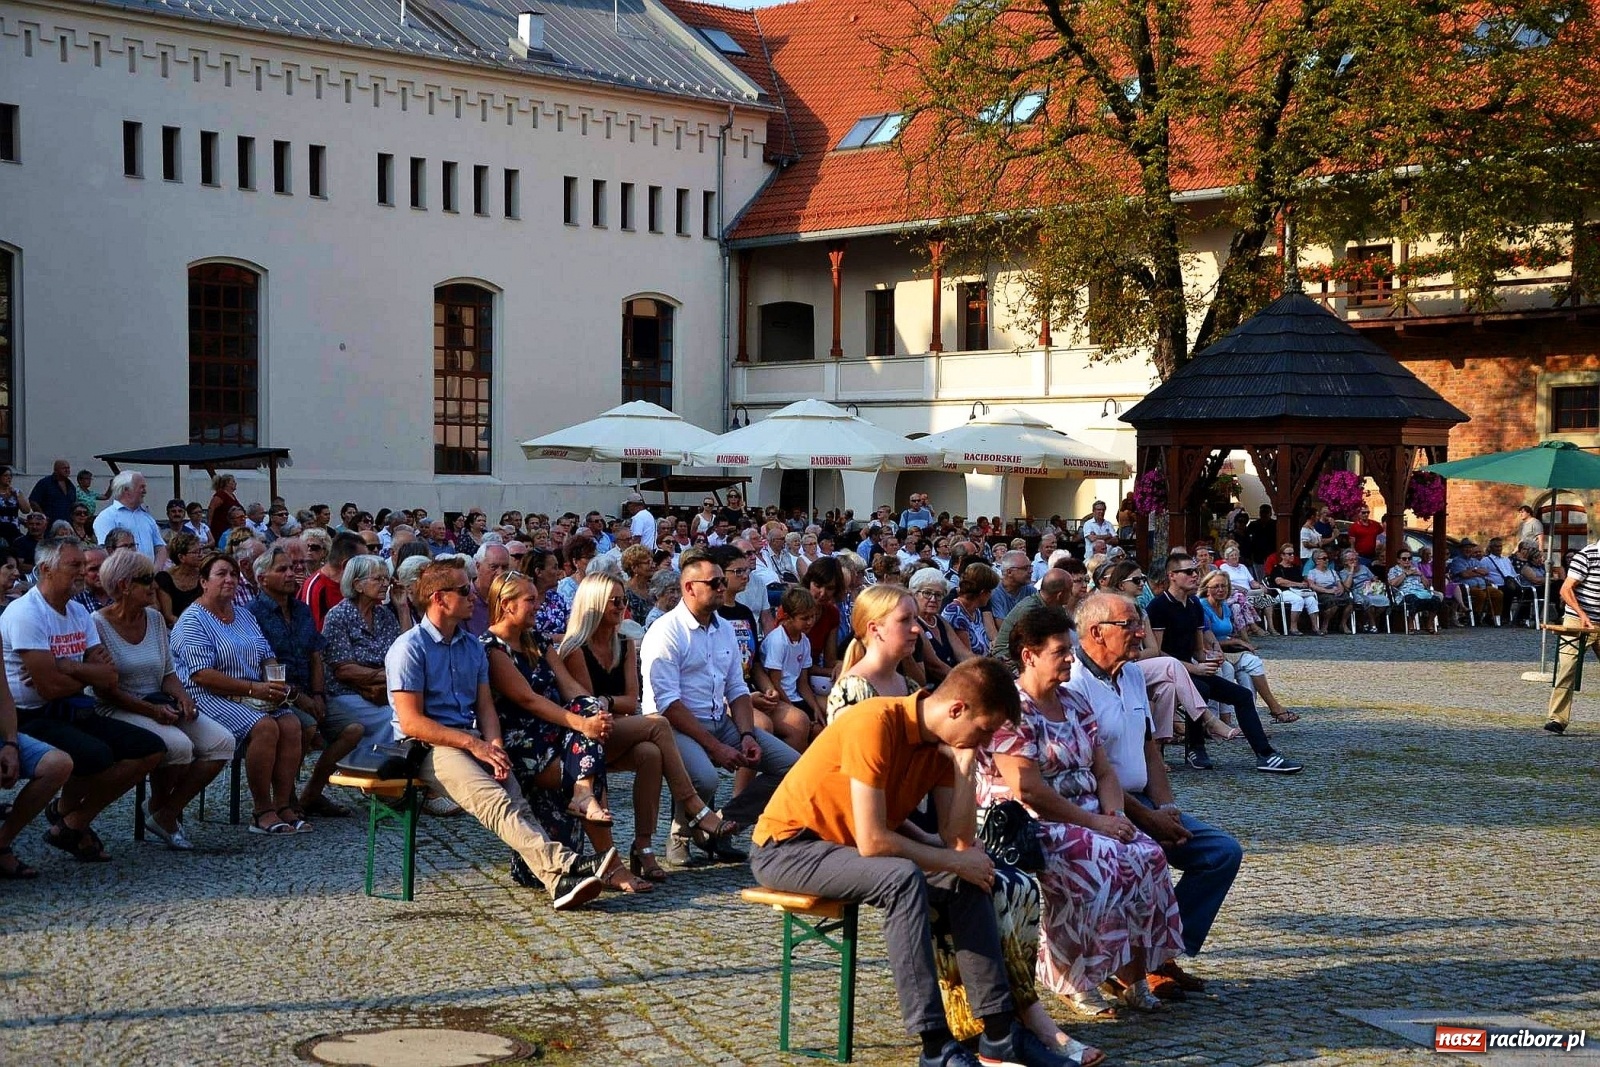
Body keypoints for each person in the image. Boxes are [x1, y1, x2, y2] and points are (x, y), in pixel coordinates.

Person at [753, 658, 1073, 1067]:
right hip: (788, 848)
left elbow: (958, 842)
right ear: (957, 709)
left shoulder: (945, 745)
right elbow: (873, 841)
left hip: (845, 849)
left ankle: (999, 1034)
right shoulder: (875, 722)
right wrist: (954, 860)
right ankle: (935, 1046)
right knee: (901, 878)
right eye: (984, 730)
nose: (985, 741)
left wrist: (963, 768)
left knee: (967, 878)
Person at [982, 604, 1184, 1015]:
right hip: (1031, 819)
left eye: (1071, 650)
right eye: (1061, 651)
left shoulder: (1074, 701)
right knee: (1101, 860)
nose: (1072, 659)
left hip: (1090, 812)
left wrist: (1115, 816)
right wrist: (1095, 823)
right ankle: (1072, 978)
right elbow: (1028, 788)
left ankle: (1133, 974)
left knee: (1147, 857)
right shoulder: (1013, 710)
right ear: (1029, 655)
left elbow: (1104, 770)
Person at [387, 559, 619, 908]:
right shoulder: (410, 647)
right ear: (439, 598)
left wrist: (494, 746)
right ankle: (568, 862)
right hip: (429, 745)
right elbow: (411, 722)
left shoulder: (470, 647)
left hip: (472, 738)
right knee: (496, 803)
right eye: (464, 590)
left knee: (517, 802)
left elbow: (485, 708)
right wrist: (474, 744)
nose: (473, 595)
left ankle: (557, 885)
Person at [1068, 592, 1242, 1001]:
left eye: (1138, 623)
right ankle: (1128, 965)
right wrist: (1149, 822)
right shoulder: (1073, 683)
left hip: (1144, 800)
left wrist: (1167, 809)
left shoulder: (1130, 673)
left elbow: (1149, 749)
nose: (1140, 633)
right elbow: (1092, 773)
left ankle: (1158, 954)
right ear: (1096, 632)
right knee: (1149, 856)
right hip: (1098, 806)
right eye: (1129, 625)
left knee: (1220, 853)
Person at [481, 572, 655, 894]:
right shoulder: (492, 649)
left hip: (558, 732)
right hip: (525, 743)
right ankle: (611, 862)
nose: (539, 605)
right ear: (506, 605)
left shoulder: (538, 641)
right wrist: (582, 723)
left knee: (586, 747)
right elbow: (527, 700)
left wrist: (593, 710)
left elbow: (570, 688)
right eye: (530, 600)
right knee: (586, 767)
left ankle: (585, 799)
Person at [2, 537, 165, 862]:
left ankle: (70, 820)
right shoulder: (26, 613)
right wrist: (84, 672)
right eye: (75, 565)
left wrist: (67, 667)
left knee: (151, 748)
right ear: (46, 569)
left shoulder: (78, 612)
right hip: (34, 713)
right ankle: (39, 827)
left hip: (75, 707)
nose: (83, 573)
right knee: (97, 755)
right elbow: (48, 688)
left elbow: (110, 676)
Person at [640, 548, 800, 866]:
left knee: (793, 768)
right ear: (690, 587)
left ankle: (722, 823)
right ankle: (679, 836)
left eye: (721, 582)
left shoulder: (724, 627)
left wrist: (746, 735)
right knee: (706, 778)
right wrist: (715, 746)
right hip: (672, 724)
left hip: (719, 718)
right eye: (714, 583)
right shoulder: (666, 632)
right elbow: (668, 704)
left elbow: (737, 688)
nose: (721, 588)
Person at [91, 548, 234, 849]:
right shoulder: (98, 624)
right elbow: (105, 689)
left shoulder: (154, 619)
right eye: (147, 580)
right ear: (123, 585)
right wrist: (151, 710)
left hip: (159, 700)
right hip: (117, 705)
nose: (155, 586)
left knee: (222, 742)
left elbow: (168, 671)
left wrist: (183, 698)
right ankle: (162, 813)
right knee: (179, 745)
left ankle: (164, 812)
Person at [171, 552, 306, 835]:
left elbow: (266, 654)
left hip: (251, 692)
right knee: (265, 727)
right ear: (203, 582)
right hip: (207, 695)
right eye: (221, 574)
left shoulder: (243, 614)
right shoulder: (193, 620)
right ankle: (261, 810)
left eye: (233, 574)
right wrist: (254, 688)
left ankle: (284, 805)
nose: (230, 579)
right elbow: (200, 673)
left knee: (291, 723)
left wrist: (273, 682)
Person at [1147, 552, 1304, 774]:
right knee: (1199, 688)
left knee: (1242, 695)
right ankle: (1196, 747)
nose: (1195, 575)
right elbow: (1157, 654)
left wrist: (1211, 658)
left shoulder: (1193, 604)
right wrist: (1196, 667)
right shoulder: (1159, 606)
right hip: (1168, 672)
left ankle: (1265, 754)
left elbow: (1198, 649)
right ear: (1172, 575)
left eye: (1195, 570)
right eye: (1188, 571)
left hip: (1191, 668)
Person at [319, 554, 409, 744]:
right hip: (347, 693)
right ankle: (374, 764)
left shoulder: (384, 615)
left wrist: (402, 608)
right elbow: (344, 670)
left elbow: (406, 651)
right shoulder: (338, 616)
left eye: (387, 578)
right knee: (396, 718)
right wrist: (389, 675)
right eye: (378, 579)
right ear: (358, 584)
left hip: (382, 691)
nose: (385, 584)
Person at [1200, 572, 1299, 723]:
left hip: (1226, 650)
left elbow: (1226, 633)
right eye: (1216, 586)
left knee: (1249, 670)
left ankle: (1250, 722)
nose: (1220, 589)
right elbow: (1204, 641)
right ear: (1207, 588)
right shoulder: (1202, 607)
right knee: (1238, 667)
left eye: (1224, 586)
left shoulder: (1225, 607)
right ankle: (1273, 708)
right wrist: (1236, 642)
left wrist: (1237, 641)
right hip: (1211, 652)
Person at [1544, 533, 1600, 735]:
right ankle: (1557, 719)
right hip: (1578, 620)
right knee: (1567, 667)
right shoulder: (1587, 556)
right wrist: (1582, 614)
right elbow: (1566, 590)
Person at [755, 587, 824, 734]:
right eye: (805, 618)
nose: (810, 622)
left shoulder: (804, 641)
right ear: (788, 617)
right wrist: (793, 708)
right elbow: (775, 682)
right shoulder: (778, 641)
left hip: (795, 697)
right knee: (811, 728)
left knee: (824, 719)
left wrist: (815, 709)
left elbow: (802, 682)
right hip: (781, 699)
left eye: (813, 617)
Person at [993, 568, 1071, 666]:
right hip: (1008, 658)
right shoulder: (1031, 611)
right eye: (1069, 591)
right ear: (1060, 595)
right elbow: (1031, 646)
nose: (1071, 594)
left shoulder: (1056, 608)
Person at [91, 473, 166, 567]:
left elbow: (160, 547)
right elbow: (106, 552)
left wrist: (154, 573)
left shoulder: (147, 517)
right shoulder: (107, 517)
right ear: (126, 489)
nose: (145, 491)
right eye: (141, 487)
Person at [942, 562, 998, 659]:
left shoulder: (976, 611)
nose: (991, 595)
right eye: (990, 591)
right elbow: (967, 658)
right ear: (982, 592)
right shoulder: (955, 613)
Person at [1269, 543, 1321, 635]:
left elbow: (1302, 581)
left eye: (1293, 553)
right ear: (1282, 555)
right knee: (1298, 600)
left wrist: (1304, 584)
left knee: (1311, 600)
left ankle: (1315, 627)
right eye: (1289, 554)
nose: (1292, 555)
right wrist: (1298, 584)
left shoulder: (1296, 568)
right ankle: (1293, 628)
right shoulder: (1277, 568)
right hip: (1282, 592)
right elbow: (1280, 582)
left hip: (1298, 591)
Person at [30, 459, 79, 526]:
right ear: (56, 470)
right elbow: (33, 501)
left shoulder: (71, 486)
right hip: (49, 525)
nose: (67, 470)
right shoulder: (45, 483)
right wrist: (43, 517)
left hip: (67, 525)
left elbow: (73, 505)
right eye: (64, 468)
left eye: (68, 468)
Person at [990, 551, 1036, 619]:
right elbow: (1002, 627)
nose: (1031, 571)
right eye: (1025, 568)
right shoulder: (995, 593)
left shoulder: (1031, 591)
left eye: (1030, 567)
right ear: (1009, 572)